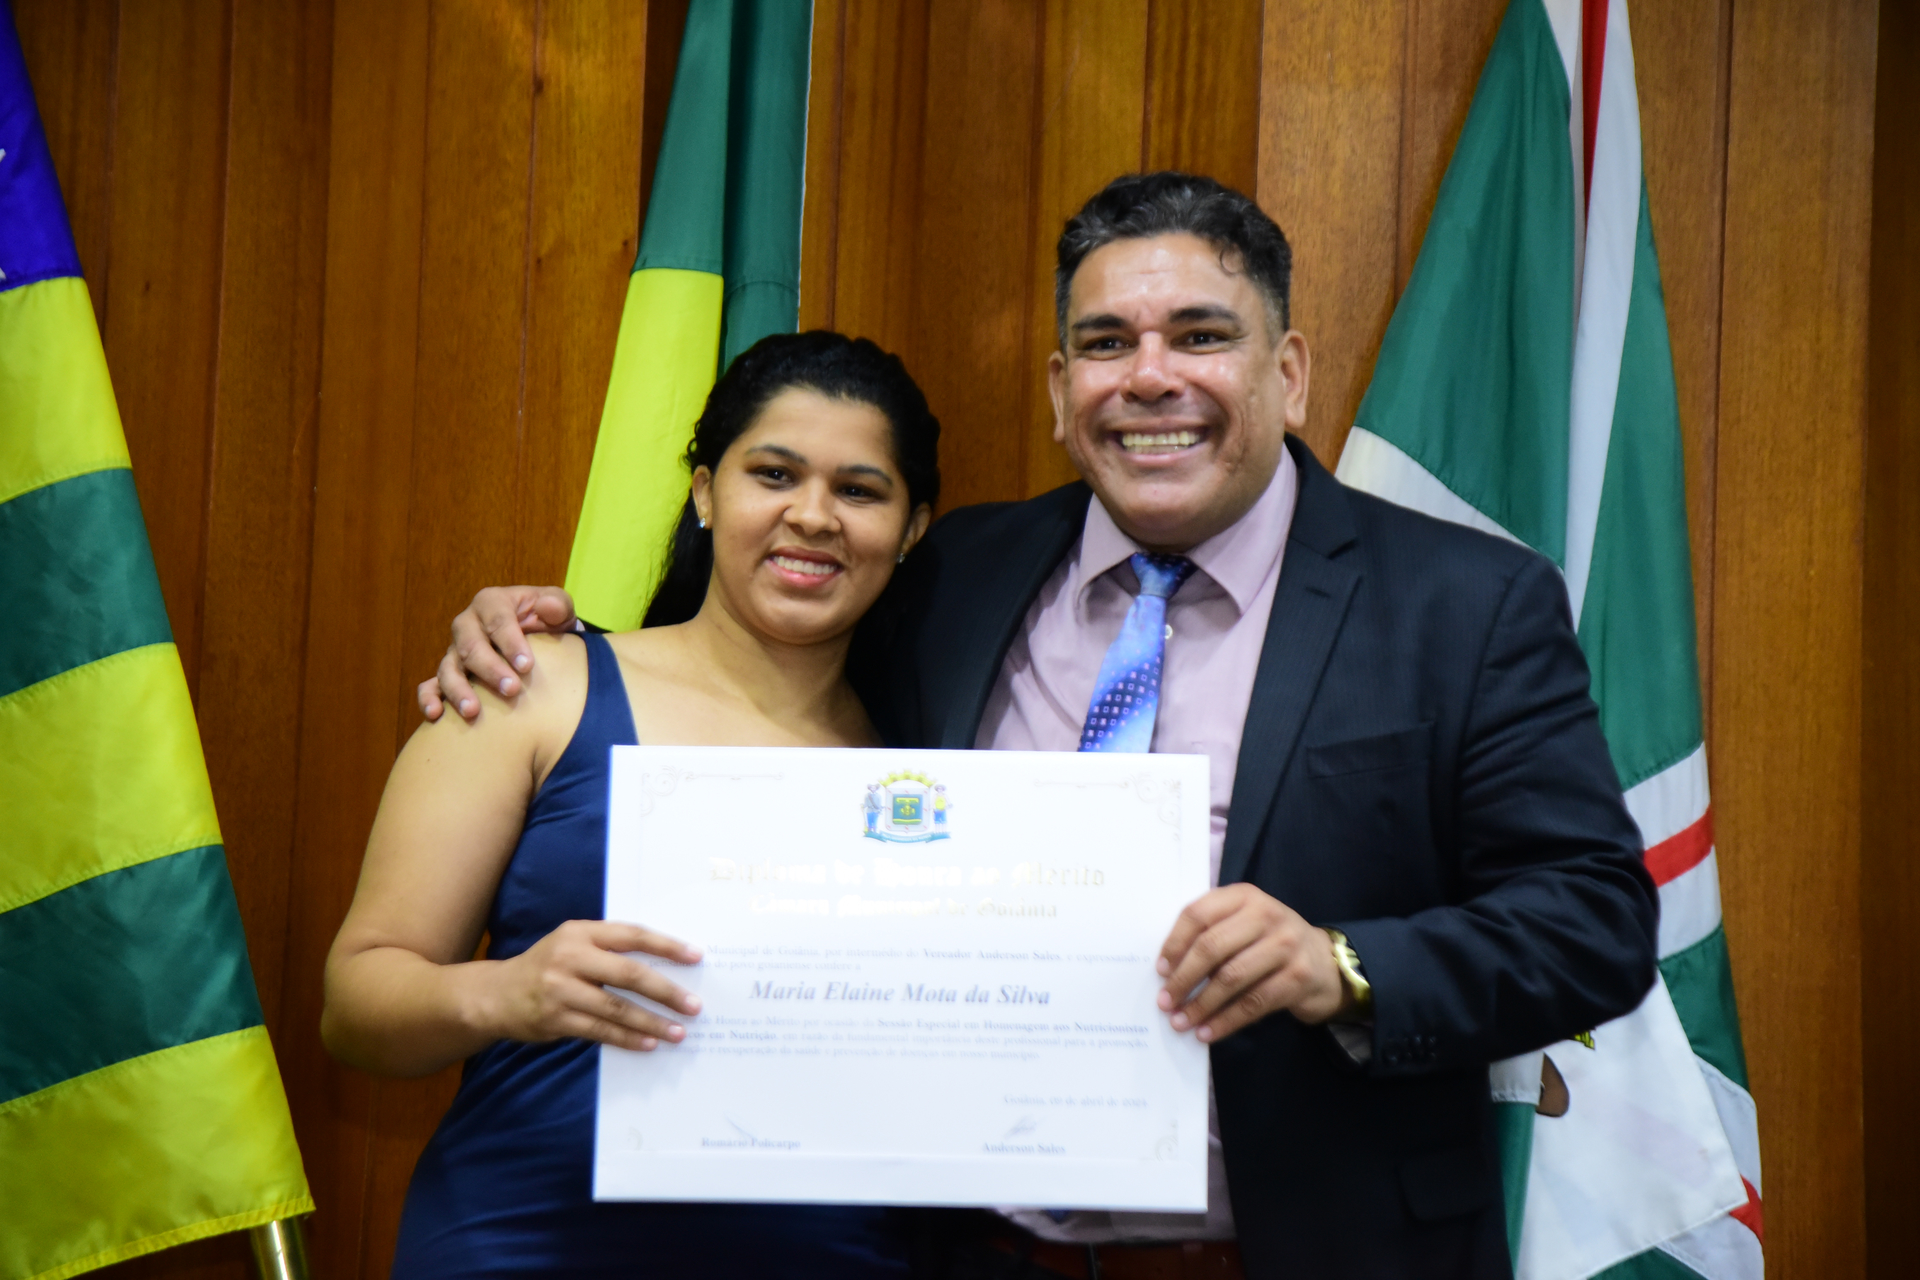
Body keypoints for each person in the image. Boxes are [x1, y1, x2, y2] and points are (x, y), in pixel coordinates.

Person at [423, 173, 1659, 1279]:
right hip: (978, 1252)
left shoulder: (1463, 602)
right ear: (1064, 391)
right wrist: (539, 631)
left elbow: (1595, 920)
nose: (1151, 376)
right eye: (1107, 342)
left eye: (1202, 335)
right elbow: (760, 661)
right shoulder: (956, 574)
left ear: (1286, 373)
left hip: (1308, 1247)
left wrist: (1341, 965)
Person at [322, 331, 940, 1278]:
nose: (813, 515)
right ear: (705, 493)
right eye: (773, 474)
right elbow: (355, 1005)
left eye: (859, 490)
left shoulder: (924, 773)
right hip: (526, 1246)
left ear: (912, 528)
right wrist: (506, 992)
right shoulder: (533, 686)